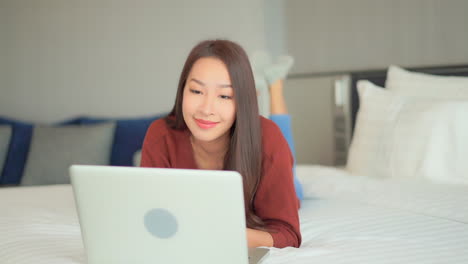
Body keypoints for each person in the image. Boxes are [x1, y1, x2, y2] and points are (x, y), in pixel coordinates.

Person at [140, 39, 301, 248]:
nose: (207, 109)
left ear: (242, 101)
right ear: (182, 91)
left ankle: (275, 86)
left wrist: (211, 233)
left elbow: (287, 235)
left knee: (297, 187)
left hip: (269, 163)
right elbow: (147, 219)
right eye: (196, 91)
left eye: (225, 95)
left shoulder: (268, 139)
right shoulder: (161, 134)